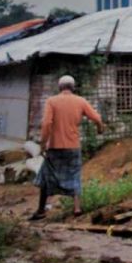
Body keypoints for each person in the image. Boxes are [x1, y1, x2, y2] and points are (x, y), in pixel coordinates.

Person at [30, 75, 104, 220]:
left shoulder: (52, 101)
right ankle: (77, 208)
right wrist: (100, 128)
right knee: (74, 175)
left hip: (55, 147)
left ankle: (41, 210)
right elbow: (97, 118)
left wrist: (43, 143)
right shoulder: (80, 101)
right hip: (73, 147)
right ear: (73, 87)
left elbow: (46, 124)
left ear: (59, 87)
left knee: (46, 176)